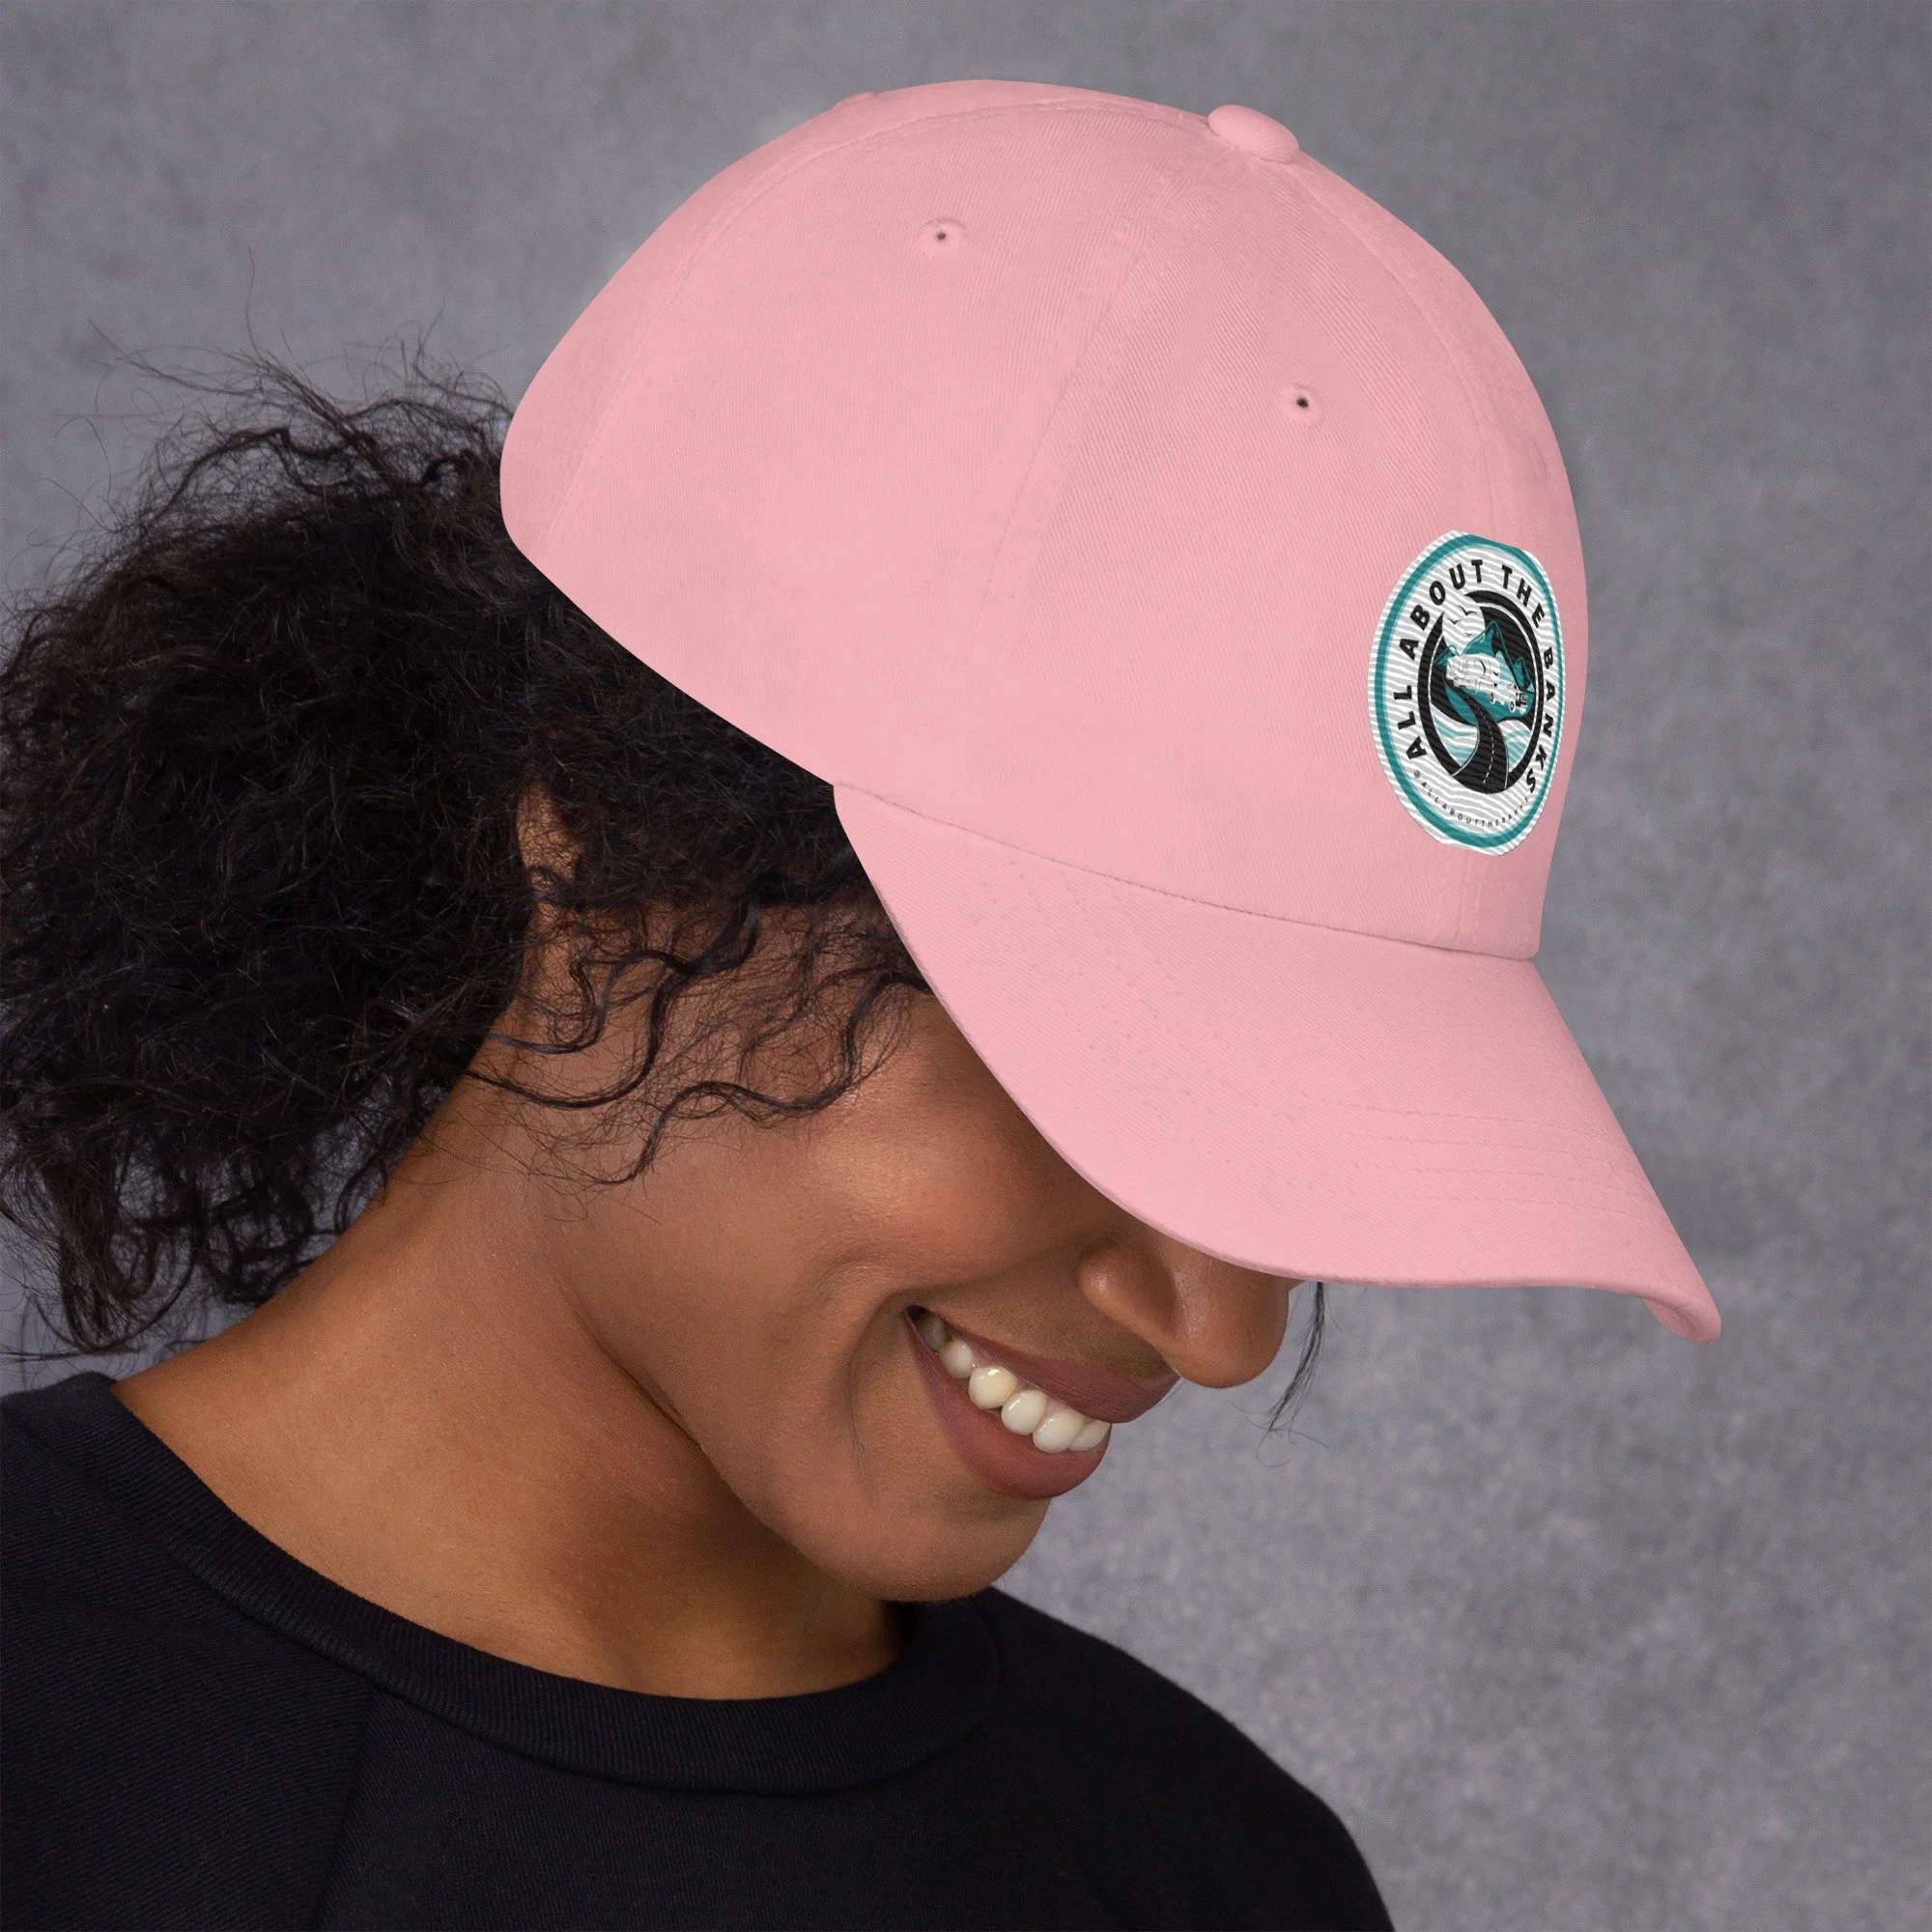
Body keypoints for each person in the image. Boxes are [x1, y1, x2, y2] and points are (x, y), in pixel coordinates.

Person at [0, 79, 1719, 1932]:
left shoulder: (1224, 1880)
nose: (1223, 1329)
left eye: (1294, 1151)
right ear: (594, 835)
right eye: (1099, 1069)